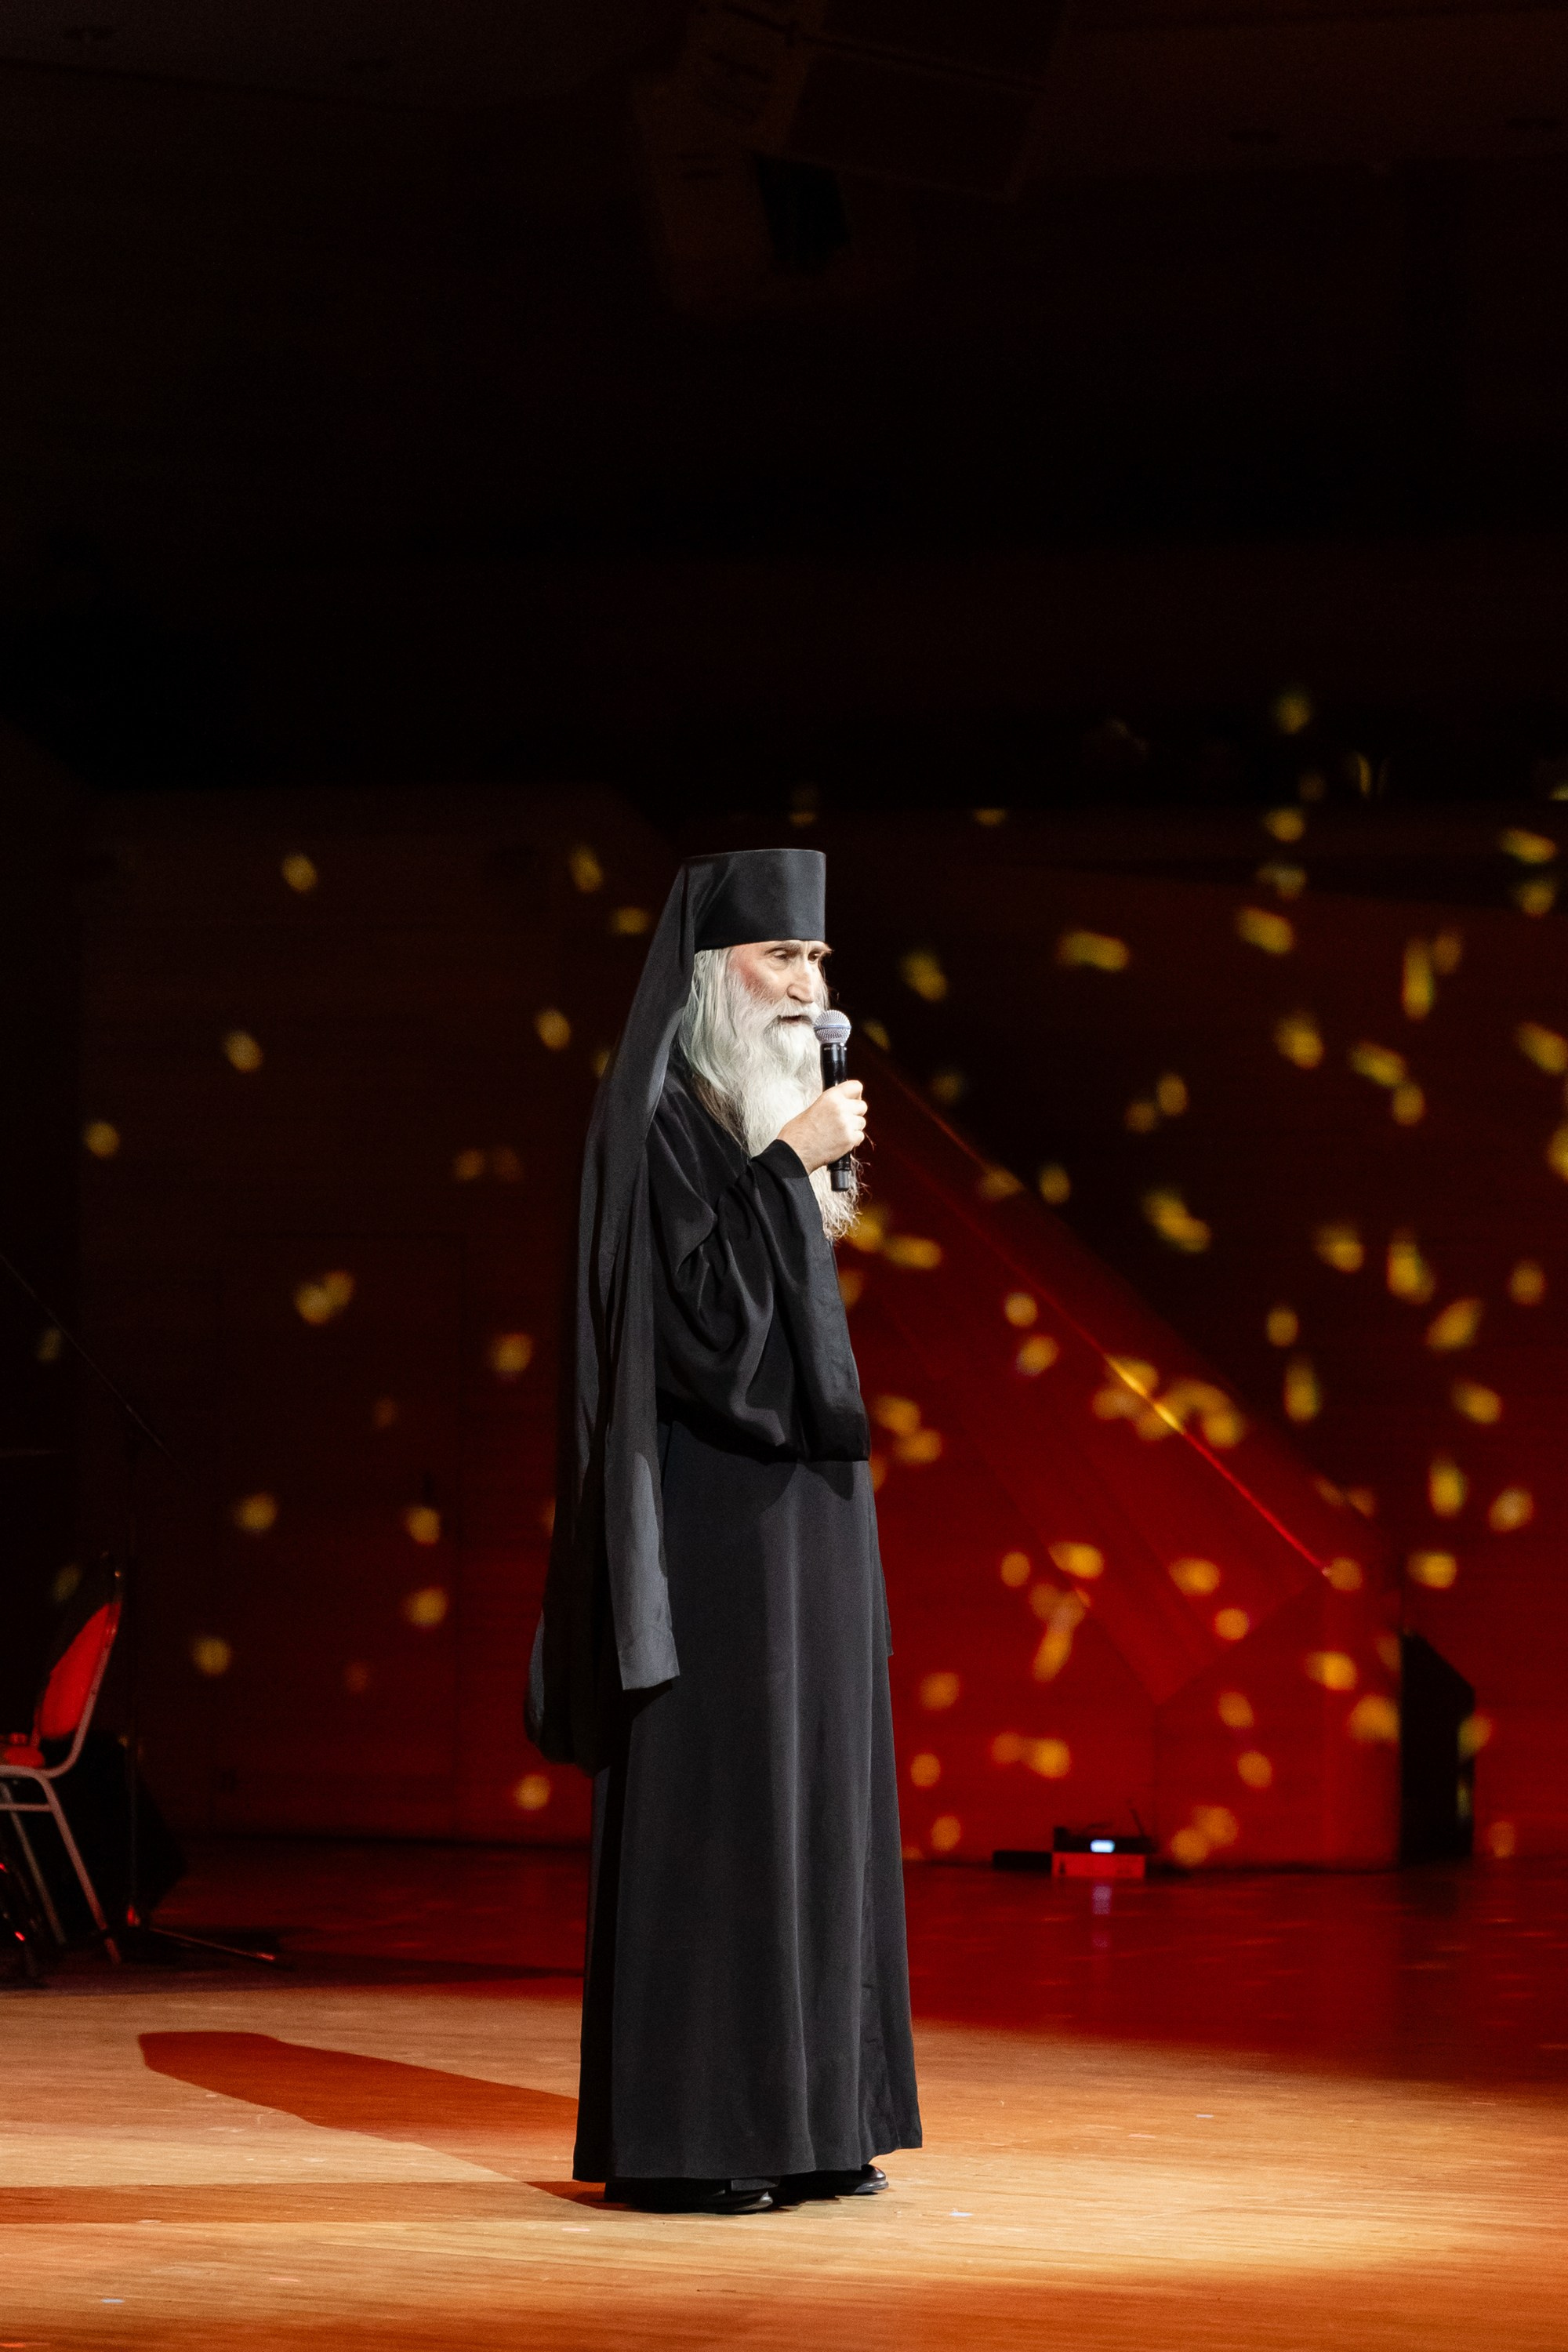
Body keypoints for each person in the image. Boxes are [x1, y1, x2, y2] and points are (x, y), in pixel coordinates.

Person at [528, 846, 922, 2217]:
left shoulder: (764, 1110)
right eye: (781, 961)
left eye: (818, 963)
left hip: (809, 1515)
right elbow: (697, 1338)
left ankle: (822, 2119)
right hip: (705, 1513)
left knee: (822, 1795)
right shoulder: (661, 1119)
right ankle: (694, 2136)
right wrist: (784, 1166)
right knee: (726, 1808)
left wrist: (802, 1172)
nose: (808, 989)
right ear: (712, 976)